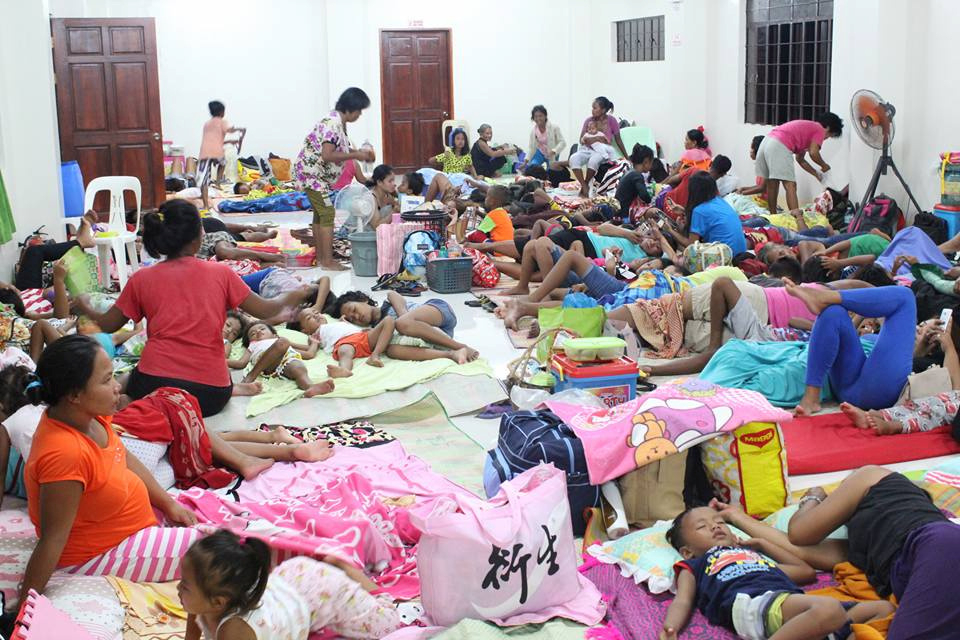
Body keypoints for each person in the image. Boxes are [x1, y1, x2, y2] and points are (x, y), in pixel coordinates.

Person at [75, 199, 309, 416]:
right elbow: (267, 310)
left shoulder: (142, 278)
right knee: (181, 398)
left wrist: (85, 305)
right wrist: (294, 295)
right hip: (210, 393)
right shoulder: (221, 273)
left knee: (130, 378)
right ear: (198, 237)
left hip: (153, 382)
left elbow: (107, 324)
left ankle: (131, 402)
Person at [19, 336, 201, 601]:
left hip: (132, 525)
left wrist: (167, 504)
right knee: (217, 554)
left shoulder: (90, 417)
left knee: (208, 517)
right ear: (73, 395)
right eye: (106, 380)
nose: (117, 387)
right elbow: (53, 539)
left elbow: (123, 456)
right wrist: (24, 606)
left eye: (113, 376)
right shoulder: (65, 453)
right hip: (98, 553)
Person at [660, 504, 894, 640]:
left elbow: (805, 572)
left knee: (883, 609)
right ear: (687, 552)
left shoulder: (757, 559)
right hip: (749, 603)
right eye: (702, 526)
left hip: (787, 608)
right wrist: (670, 629)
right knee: (829, 609)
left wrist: (763, 545)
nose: (715, 526)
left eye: (720, 522)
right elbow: (682, 601)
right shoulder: (698, 565)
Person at [788, 466, 960, 639]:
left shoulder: (870, 474)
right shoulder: (869, 542)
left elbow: (799, 533)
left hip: (940, 545)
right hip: (934, 554)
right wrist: (759, 534)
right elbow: (803, 551)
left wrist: (814, 497)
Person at [180, 529, 402, 640]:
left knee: (389, 624)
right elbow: (194, 616)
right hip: (289, 580)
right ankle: (334, 564)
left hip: (320, 590)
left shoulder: (235, 631)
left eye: (186, 586)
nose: (178, 588)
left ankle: (347, 569)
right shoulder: (202, 602)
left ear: (218, 602)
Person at [786, 282, 915, 415]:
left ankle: (825, 297)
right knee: (833, 311)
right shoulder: (875, 334)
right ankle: (811, 395)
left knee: (905, 296)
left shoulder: (903, 340)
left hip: (878, 389)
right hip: (848, 383)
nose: (921, 328)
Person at [295, 87, 375, 271]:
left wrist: (358, 153)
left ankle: (322, 258)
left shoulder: (337, 122)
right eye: (359, 111)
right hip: (312, 173)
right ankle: (328, 261)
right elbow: (328, 154)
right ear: (351, 108)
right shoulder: (333, 123)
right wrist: (356, 156)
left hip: (313, 173)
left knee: (319, 213)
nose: (359, 115)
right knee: (327, 214)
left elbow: (341, 150)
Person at [334, 291, 478, 362]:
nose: (357, 317)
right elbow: (360, 339)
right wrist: (345, 324)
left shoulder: (388, 300)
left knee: (402, 322)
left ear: (363, 300)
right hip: (435, 335)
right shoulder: (378, 330)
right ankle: (450, 354)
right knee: (390, 350)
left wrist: (403, 319)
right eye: (353, 319)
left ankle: (459, 346)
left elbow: (395, 297)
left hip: (438, 312)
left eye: (354, 310)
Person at [755, 113, 843, 217]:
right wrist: (824, 165)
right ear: (828, 128)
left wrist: (816, 174)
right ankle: (798, 219)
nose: (825, 139)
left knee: (772, 183)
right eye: (829, 136)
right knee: (790, 185)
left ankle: (773, 216)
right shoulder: (819, 129)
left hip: (766, 142)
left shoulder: (808, 129)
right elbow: (813, 153)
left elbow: (800, 160)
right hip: (779, 144)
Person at [228, 322, 335, 397]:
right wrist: (221, 361)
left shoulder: (278, 339)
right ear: (250, 341)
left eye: (262, 329)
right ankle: (250, 377)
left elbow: (309, 353)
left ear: (274, 334)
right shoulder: (253, 345)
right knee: (283, 342)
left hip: (287, 359)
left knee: (299, 368)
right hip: (266, 363)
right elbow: (241, 363)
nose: (258, 332)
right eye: (253, 333)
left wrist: (314, 343)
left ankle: (310, 387)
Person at [659, 171, 747, 255]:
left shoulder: (699, 211)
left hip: (726, 257)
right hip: (741, 251)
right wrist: (684, 211)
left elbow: (692, 246)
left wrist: (670, 230)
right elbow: (709, 215)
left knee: (680, 254)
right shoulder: (719, 200)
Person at [570, 97, 628, 197]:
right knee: (573, 159)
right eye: (592, 108)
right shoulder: (589, 121)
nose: (592, 110)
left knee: (593, 161)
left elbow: (618, 140)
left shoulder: (611, 121)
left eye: (595, 108)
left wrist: (627, 157)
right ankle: (584, 185)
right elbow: (582, 139)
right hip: (587, 149)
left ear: (603, 110)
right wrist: (596, 138)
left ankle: (586, 183)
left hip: (602, 151)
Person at [198, 101, 245, 211]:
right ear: (222, 112)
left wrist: (230, 142)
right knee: (223, 163)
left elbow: (212, 141)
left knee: (203, 181)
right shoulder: (222, 121)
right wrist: (239, 129)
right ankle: (218, 182)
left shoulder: (207, 124)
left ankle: (205, 205)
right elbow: (230, 130)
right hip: (216, 152)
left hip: (204, 153)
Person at [663, 155, 732, 210]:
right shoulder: (714, 193)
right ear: (723, 174)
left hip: (666, 203)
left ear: (710, 164)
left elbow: (671, 180)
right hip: (679, 216)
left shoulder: (693, 170)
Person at [614, 144, 655, 215]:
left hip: (619, 209)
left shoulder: (630, 172)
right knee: (653, 211)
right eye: (651, 163)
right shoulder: (637, 176)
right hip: (624, 212)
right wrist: (652, 200)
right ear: (646, 162)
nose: (651, 166)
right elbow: (644, 196)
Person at [522, 105, 566, 170]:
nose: (538, 118)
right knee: (533, 168)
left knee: (551, 173)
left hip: (551, 154)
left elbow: (562, 142)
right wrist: (525, 162)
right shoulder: (533, 131)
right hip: (540, 153)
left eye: (540, 116)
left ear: (545, 116)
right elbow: (531, 148)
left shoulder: (554, 127)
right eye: (535, 116)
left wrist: (554, 151)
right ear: (533, 118)